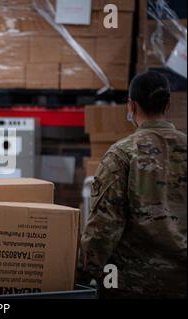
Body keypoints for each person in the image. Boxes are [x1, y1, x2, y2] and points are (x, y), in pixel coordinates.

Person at [79, 70, 187, 298]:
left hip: (132, 284)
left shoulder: (122, 155)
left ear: (131, 106)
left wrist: (83, 274)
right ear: (167, 105)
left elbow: (103, 227)